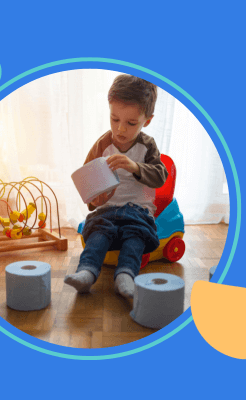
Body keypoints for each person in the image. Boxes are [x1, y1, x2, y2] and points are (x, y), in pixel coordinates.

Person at [64, 74, 167, 299]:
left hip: (138, 212)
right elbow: (87, 186)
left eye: (131, 123)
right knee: (98, 232)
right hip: (106, 211)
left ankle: (125, 275)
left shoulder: (147, 146)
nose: (120, 129)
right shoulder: (102, 145)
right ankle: (86, 273)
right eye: (114, 119)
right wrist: (95, 199)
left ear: (146, 120)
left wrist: (135, 167)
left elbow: (160, 176)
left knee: (136, 235)